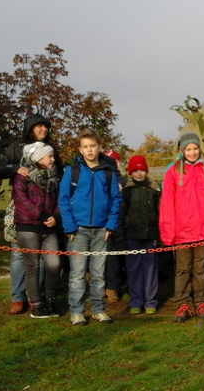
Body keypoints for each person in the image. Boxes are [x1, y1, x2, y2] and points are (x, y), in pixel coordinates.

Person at [0, 113, 63, 315]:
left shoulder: (51, 150)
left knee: (43, 259)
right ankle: (18, 297)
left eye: (46, 126)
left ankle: (37, 298)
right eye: (39, 126)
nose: (43, 129)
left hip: (47, 209)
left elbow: (59, 174)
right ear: (29, 128)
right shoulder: (16, 147)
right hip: (22, 209)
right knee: (19, 255)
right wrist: (16, 169)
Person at [58, 129, 121, 325]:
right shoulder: (72, 171)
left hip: (101, 230)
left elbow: (116, 200)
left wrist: (110, 225)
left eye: (93, 146)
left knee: (98, 274)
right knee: (77, 274)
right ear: (80, 149)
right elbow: (63, 199)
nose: (90, 150)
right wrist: (69, 227)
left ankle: (98, 309)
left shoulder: (108, 172)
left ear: (99, 147)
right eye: (85, 147)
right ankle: (76, 311)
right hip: (78, 230)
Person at [160, 132, 204, 323]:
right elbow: (167, 203)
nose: (193, 152)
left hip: (203, 228)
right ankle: (182, 304)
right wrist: (168, 231)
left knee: (201, 269)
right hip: (182, 231)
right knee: (182, 270)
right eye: (189, 149)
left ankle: (202, 302)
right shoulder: (173, 171)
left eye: (195, 148)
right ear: (182, 150)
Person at [12, 141, 61, 318]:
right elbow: (21, 200)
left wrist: (55, 217)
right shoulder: (22, 177)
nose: (53, 159)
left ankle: (50, 300)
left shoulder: (54, 177)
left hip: (48, 227)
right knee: (32, 266)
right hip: (28, 226)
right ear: (39, 158)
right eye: (50, 156)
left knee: (54, 264)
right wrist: (41, 215)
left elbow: (59, 201)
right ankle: (36, 304)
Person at [119, 155, 160, 314]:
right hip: (132, 237)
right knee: (134, 270)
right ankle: (136, 301)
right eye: (135, 170)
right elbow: (121, 215)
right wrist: (121, 238)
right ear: (130, 173)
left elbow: (159, 213)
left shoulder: (154, 190)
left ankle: (150, 302)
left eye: (142, 170)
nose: (139, 173)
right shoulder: (126, 192)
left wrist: (160, 236)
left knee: (150, 271)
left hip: (150, 237)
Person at [102, 149, 127, 303]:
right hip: (103, 222)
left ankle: (113, 286)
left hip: (119, 222)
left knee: (115, 257)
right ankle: (102, 286)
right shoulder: (101, 178)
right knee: (102, 257)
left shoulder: (123, 181)